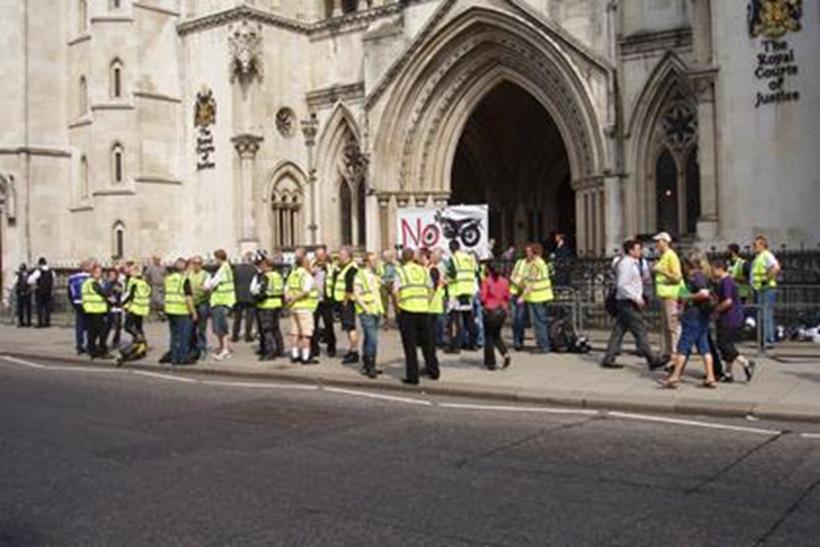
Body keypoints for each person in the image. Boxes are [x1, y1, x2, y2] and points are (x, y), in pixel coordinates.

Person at [601, 239, 665, 370]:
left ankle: (609, 357)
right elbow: (622, 285)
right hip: (627, 302)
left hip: (627, 301)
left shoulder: (634, 263)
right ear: (630, 251)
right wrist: (636, 298)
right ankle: (652, 359)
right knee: (640, 329)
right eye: (638, 249)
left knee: (619, 330)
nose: (640, 251)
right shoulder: (626, 264)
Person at [662, 251, 718, 389]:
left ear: (688, 264)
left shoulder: (696, 276)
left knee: (683, 346)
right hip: (701, 316)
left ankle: (675, 377)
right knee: (704, 346)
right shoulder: (703, 275)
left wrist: (688, 297)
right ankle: (710, 377)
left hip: (694, 316)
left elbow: (703, 294)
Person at [393, 248, 439, 385]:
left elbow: (395, 291)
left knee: (410, 345)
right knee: (428, 343)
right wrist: (427, 302)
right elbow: (431, 289)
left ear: (403, 258)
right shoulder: (423, 270)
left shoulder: (400, 271)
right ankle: (433, 371)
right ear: (413, 257)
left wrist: (397, 307)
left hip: (407, 310)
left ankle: (413, 377)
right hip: (423, 309)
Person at [712, 259, 757, 383]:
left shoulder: (726, 281)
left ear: (719, 268)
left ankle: (746, 363)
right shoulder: (726, 281)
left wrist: (716, 310)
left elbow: (727, 301)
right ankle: (728, 373)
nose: (712, 272)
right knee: (727, 344)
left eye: (713, 269)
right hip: (731, 317)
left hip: (729, 317)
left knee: (723, 344)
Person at [652, 232, 683, 363]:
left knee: (672, 326)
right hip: (665, 295)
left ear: (665, 242)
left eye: (658, 241)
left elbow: (677, 277)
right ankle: (669, 353)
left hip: (671, 295)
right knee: (667, 327)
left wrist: (660, 270)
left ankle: (675, 354)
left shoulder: (671, 256)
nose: (656, 244)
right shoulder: (664, 256)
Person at [285, 251, 319, 365]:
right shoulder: (306, 275)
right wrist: (295, 298)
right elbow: (305, 291)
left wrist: (289, 299)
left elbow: (286, 289)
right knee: (306, 334)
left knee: (295, 333)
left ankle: (295, 355)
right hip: (305, 307)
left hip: (293, 308)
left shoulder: (292, 274)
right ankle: (305, 357)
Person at [353, 252, 383, 378]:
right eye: (372, 260)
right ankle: (370, 365)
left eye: (376, 260)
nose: (375, 263)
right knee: (373, 339)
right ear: (366, 262)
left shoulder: (375, 274)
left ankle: (368, 364)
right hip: (366, 310)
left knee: (369, 338)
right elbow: (357, 293)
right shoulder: (360, 275)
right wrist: (365, 308)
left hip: (376, 309)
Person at [519, 243, 553, 354]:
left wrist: (523, 297)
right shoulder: (541, 262)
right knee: (541, 320)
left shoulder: (535, 264)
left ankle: (543, 345)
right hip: (542, 295)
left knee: (538, 322)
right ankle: (544, 344)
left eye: (529, 251)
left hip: (537, 296)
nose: (527, 253)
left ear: (535, 252)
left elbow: (532, 282)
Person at [162, 258, 196, 366]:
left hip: (170, 309)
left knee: (174, 335)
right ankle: (183, 357)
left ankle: (174, 357)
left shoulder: (168, 279)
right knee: (184, 335)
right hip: (182, 310)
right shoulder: (184, 280)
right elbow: (188, 298)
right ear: (185, 268)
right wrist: (193, 312)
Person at [445, 240, 478, 353]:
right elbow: (476, 272)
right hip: (468, 291)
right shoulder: (469, 258)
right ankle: (473, 343)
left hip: (456, 291)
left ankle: (455, 345)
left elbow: (451, 275)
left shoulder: (454, 259)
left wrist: (445, 280)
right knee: (469, 319)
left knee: (454, 320)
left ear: (451, 248)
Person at [204, 249, 236, 360]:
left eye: (215, 258)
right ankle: (223, 347)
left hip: (221, 301)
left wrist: (206, 284)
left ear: (218, 258)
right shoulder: (227, 268)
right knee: (220, 327)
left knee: (221, 327)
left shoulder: (223, 269)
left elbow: (212, 284)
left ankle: (225, 350)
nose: (214, 261)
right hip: (224, 300)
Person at [479, 262, 511, 370]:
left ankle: (490, 362)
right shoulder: (505, 281)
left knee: (488, 337)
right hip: (502, 311)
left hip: (490, 311)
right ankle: (505, 354)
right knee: (496, 335)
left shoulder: (487, 281)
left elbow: (483, 298)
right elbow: (507, 296)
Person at [252, 256, 285, 361]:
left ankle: (269, 352)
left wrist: (256, 298)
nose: (260, 267)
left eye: (262, 265)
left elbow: (262, 292)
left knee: (267, 330)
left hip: (266, 305)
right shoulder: (278, 275)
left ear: (266, 266)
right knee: (276, 329)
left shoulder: (266, 277)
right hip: (277, 304)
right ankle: (280, 350)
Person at [751, 235, 781, 349]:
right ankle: (763, 340)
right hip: (761, 289)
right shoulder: (759, 256)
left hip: (767, 289)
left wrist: (765, 280)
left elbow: (776, 267)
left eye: (755, 245)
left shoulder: (767, 255)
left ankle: (768, 340)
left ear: (762, 245)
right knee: (762, 315)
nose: (754, 247)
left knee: (766, 314)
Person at [333, 246, 360, 364]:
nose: (339, 256)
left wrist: (344, 302)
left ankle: (354, 352)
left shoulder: (351, 269)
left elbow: (349, 288)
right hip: (343, 302)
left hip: (347, 303)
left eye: (342, 254)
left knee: (351, 328)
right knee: (348, 329)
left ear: (348, 256)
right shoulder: (343, 268)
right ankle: (352, 350)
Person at [81, 262, 112, 359]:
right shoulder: (93, 283)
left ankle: (92, 350)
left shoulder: (86, 282)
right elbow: (102, 292)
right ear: (93, 273)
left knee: (92, 332)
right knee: (102, 331)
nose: (100, 274)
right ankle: (102, 351)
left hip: (90, 310)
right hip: (96, 310)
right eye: (99, 272)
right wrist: (110, 296)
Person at [311, 245, 337, 358]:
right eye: (317, 255)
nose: (320, 258)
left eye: (321, 255)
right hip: (314, 300)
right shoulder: (312, 266)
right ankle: (314, 349)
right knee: (313, 326)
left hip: (326, 300)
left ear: (325, 255)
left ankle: (331, 348)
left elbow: (335, 277)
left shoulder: (330, 267)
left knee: (329, 325)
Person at [187, 256, 211, 361]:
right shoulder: (188, 274)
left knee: (201, 328)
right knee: (191, 328)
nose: (196, 265)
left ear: (201, 265)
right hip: (191, 303)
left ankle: (202, 348)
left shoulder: (206, 274)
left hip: (202, 303)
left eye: (198, 263)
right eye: (194, 263)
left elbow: (208, 287)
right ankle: (193, 348)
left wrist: (205, 289)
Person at [122, 260, 150, 346]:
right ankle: (142, 343)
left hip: (134, 307)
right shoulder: (143, 281)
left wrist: (121, 302)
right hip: (142, 308)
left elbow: (129, 294)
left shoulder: (133, 281)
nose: (128, 271)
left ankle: (138, 337)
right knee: (138, 326)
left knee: (127, 326)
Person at [232, 251, 257, 343]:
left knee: (237, 317)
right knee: (249, 317)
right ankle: (247, 335)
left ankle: (235, 335)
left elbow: (234, 281)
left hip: (238, 295)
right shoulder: (254, 269)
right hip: (250, 296)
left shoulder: (236, 269)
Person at [67, 261, 91, 354]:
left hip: (77, 303)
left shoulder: (72, 278)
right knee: (90, 325)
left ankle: (79, 345)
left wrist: (73, 303)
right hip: (89, 303)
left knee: (79, 325)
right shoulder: (90, 278)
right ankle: (89, 344)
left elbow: (70, 292)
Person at [508, 250, 528, 351]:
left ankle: (520, 340)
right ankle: (516, 340)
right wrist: (517, 283)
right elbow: (512, 276)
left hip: (523, 294)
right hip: (514, 292)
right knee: (514, 318)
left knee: (520, 318)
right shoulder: (519, 262)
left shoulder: (532, 265)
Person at [427, 248, 448, 347]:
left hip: (439, 294)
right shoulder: (432, 266)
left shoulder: (441, 266)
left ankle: (439, 339)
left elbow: (443, 280)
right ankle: (434, 338)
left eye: (434, 255)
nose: (432, 257)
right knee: (434, 319)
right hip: (434, 294)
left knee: (440, 319)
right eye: (432, 255)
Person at [27, 257, 53, 328]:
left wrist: (34, 284)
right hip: (48, 291)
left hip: (40, 291)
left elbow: (30, 280)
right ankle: (47, 322)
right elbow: (53, 278)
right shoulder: (51, 271)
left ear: (40, 263)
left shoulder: (38, 271)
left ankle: (40, 322)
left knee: (40, 307)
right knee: (47, 307)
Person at [104, 268, 124, 348]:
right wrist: (108, 297)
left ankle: (116, 341)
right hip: (109, 307)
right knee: (107, 326)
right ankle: (104, 341)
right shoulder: (106, 284)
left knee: (118, 325)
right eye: (111, 275)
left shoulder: (118, 284)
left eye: (114, 275)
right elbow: (104, 293)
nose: (112, 276)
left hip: (117, 306)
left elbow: (119, 293)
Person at [380, 249, 398, 329]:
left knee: (396, 302)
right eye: (385, 257)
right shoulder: (381, 265)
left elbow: (399, 273)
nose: (387, 258)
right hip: (384, 284)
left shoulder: (396, 264)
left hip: (393, 283)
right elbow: (378, 273)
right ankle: (385, 321)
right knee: (384, 304)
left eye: (388, 257)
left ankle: (397, 319)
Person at [144, 256, 166, 320]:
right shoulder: (150, 268)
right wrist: (148, 284)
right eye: (156, 260)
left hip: (162, 286)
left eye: (159, 259)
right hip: (154, 286)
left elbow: (165, 275)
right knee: (155, 300)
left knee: (162, 301)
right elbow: (146, 276)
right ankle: (155, 314)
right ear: (154, 260)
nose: (158, 261)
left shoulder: (162, 267)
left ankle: (161, 313)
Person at [14, 263, 32, 328]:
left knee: (21, 308)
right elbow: (31, 283)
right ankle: (28, 322)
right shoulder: (29, 274)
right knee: (27, 308)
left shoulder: (19, 275)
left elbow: (15, 283)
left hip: (21, 292)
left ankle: (22, 322)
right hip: (27, 292)